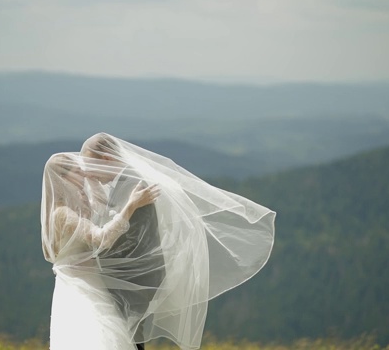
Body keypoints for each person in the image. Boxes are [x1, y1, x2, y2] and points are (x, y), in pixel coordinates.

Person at [42, 134, 276, 350]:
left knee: (122, 336)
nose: (88, 174)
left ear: (105, 158)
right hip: (96, 282)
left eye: (91, 168)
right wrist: (125, 204)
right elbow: (101, 232)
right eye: (82, 171)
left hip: (132, 276)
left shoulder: (132, 182)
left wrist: (105, 192)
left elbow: (108, 223)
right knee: (111, 336)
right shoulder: (66, 211)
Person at [41, 153, 160, 349]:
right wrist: (132, 204)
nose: (85, 175)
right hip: (80, 287)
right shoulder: (61, 213)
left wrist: (95, 183)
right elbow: (101, 238)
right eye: (79, 172)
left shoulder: (76, 206)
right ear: (63, 179)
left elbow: (102, 210)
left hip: (93, 282)